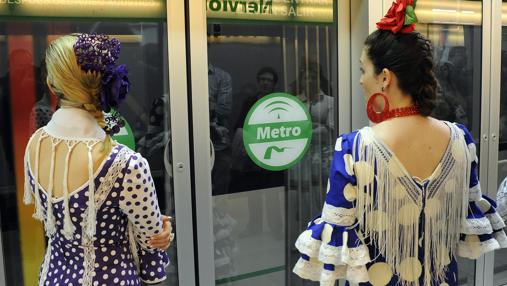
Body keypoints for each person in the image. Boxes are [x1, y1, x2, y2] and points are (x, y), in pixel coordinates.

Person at [292, 1, 507, 285]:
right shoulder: (460, 139)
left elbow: (339, 243)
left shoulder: (354, 147)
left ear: (384, 78)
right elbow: (461, 224)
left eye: (362, 70)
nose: (360, 81)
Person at [23, 33, 173, 286]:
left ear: (51, 85)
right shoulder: (127, 165)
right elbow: (152, 239)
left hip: (52, 277)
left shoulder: (35, 144)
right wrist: (161, 230)